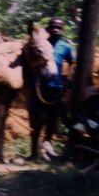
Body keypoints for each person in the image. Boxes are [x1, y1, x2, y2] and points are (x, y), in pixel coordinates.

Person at [32, 17, 77, 160]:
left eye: (59, 27)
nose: (56, 30)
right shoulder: (42, 44)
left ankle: (47, 149)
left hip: (57, 87)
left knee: (52, 119)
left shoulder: (66, 46)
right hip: (40, 87)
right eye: (53, 27)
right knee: (37, 119)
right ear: (48, 28)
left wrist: (69, 78)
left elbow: (72, 62)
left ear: (62, 29)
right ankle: (33, 152)